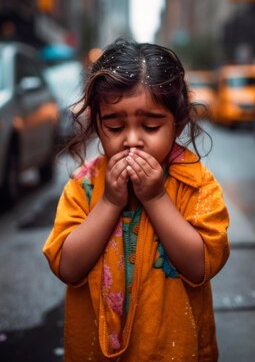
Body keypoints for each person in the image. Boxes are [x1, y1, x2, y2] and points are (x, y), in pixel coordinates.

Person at [43, 39, 230, 362]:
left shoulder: (195, 184)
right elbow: (68, 267)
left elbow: (201, 266)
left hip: (173, 350)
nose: (132, 140)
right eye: (115, 126)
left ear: (177, 123)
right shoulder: (84, 186)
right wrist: (109, 202)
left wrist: (156, 197)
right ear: (98, 127)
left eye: (151, 126)